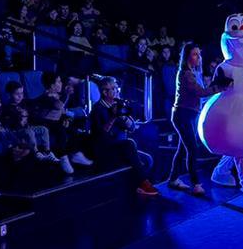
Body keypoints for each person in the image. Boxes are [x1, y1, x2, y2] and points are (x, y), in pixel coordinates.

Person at [167, 43, 225, 196]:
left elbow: (202, 92)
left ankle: (173, 179)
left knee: (183, 149)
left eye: (199, 54)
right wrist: (220, 88)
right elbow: (200, 92)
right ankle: (196, 184)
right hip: (183, 115)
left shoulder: (192, 72)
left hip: (188, 115)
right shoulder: (186, 74)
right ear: (187, 56)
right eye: (194, 54)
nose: (198, 57)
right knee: (192, 149)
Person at [90, 76, 156, 196]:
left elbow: (132, 128)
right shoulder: (97, 109)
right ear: (105, 92)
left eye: (117, 88)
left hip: (120, 148)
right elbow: (101, 137)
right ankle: (143, 183)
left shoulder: (118, 105)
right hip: (105, 150)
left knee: (148, 159)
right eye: (114, 88)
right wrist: (113, 117)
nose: (117, 91)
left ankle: (142, 185)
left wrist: (122, 116)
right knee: (129, 143)